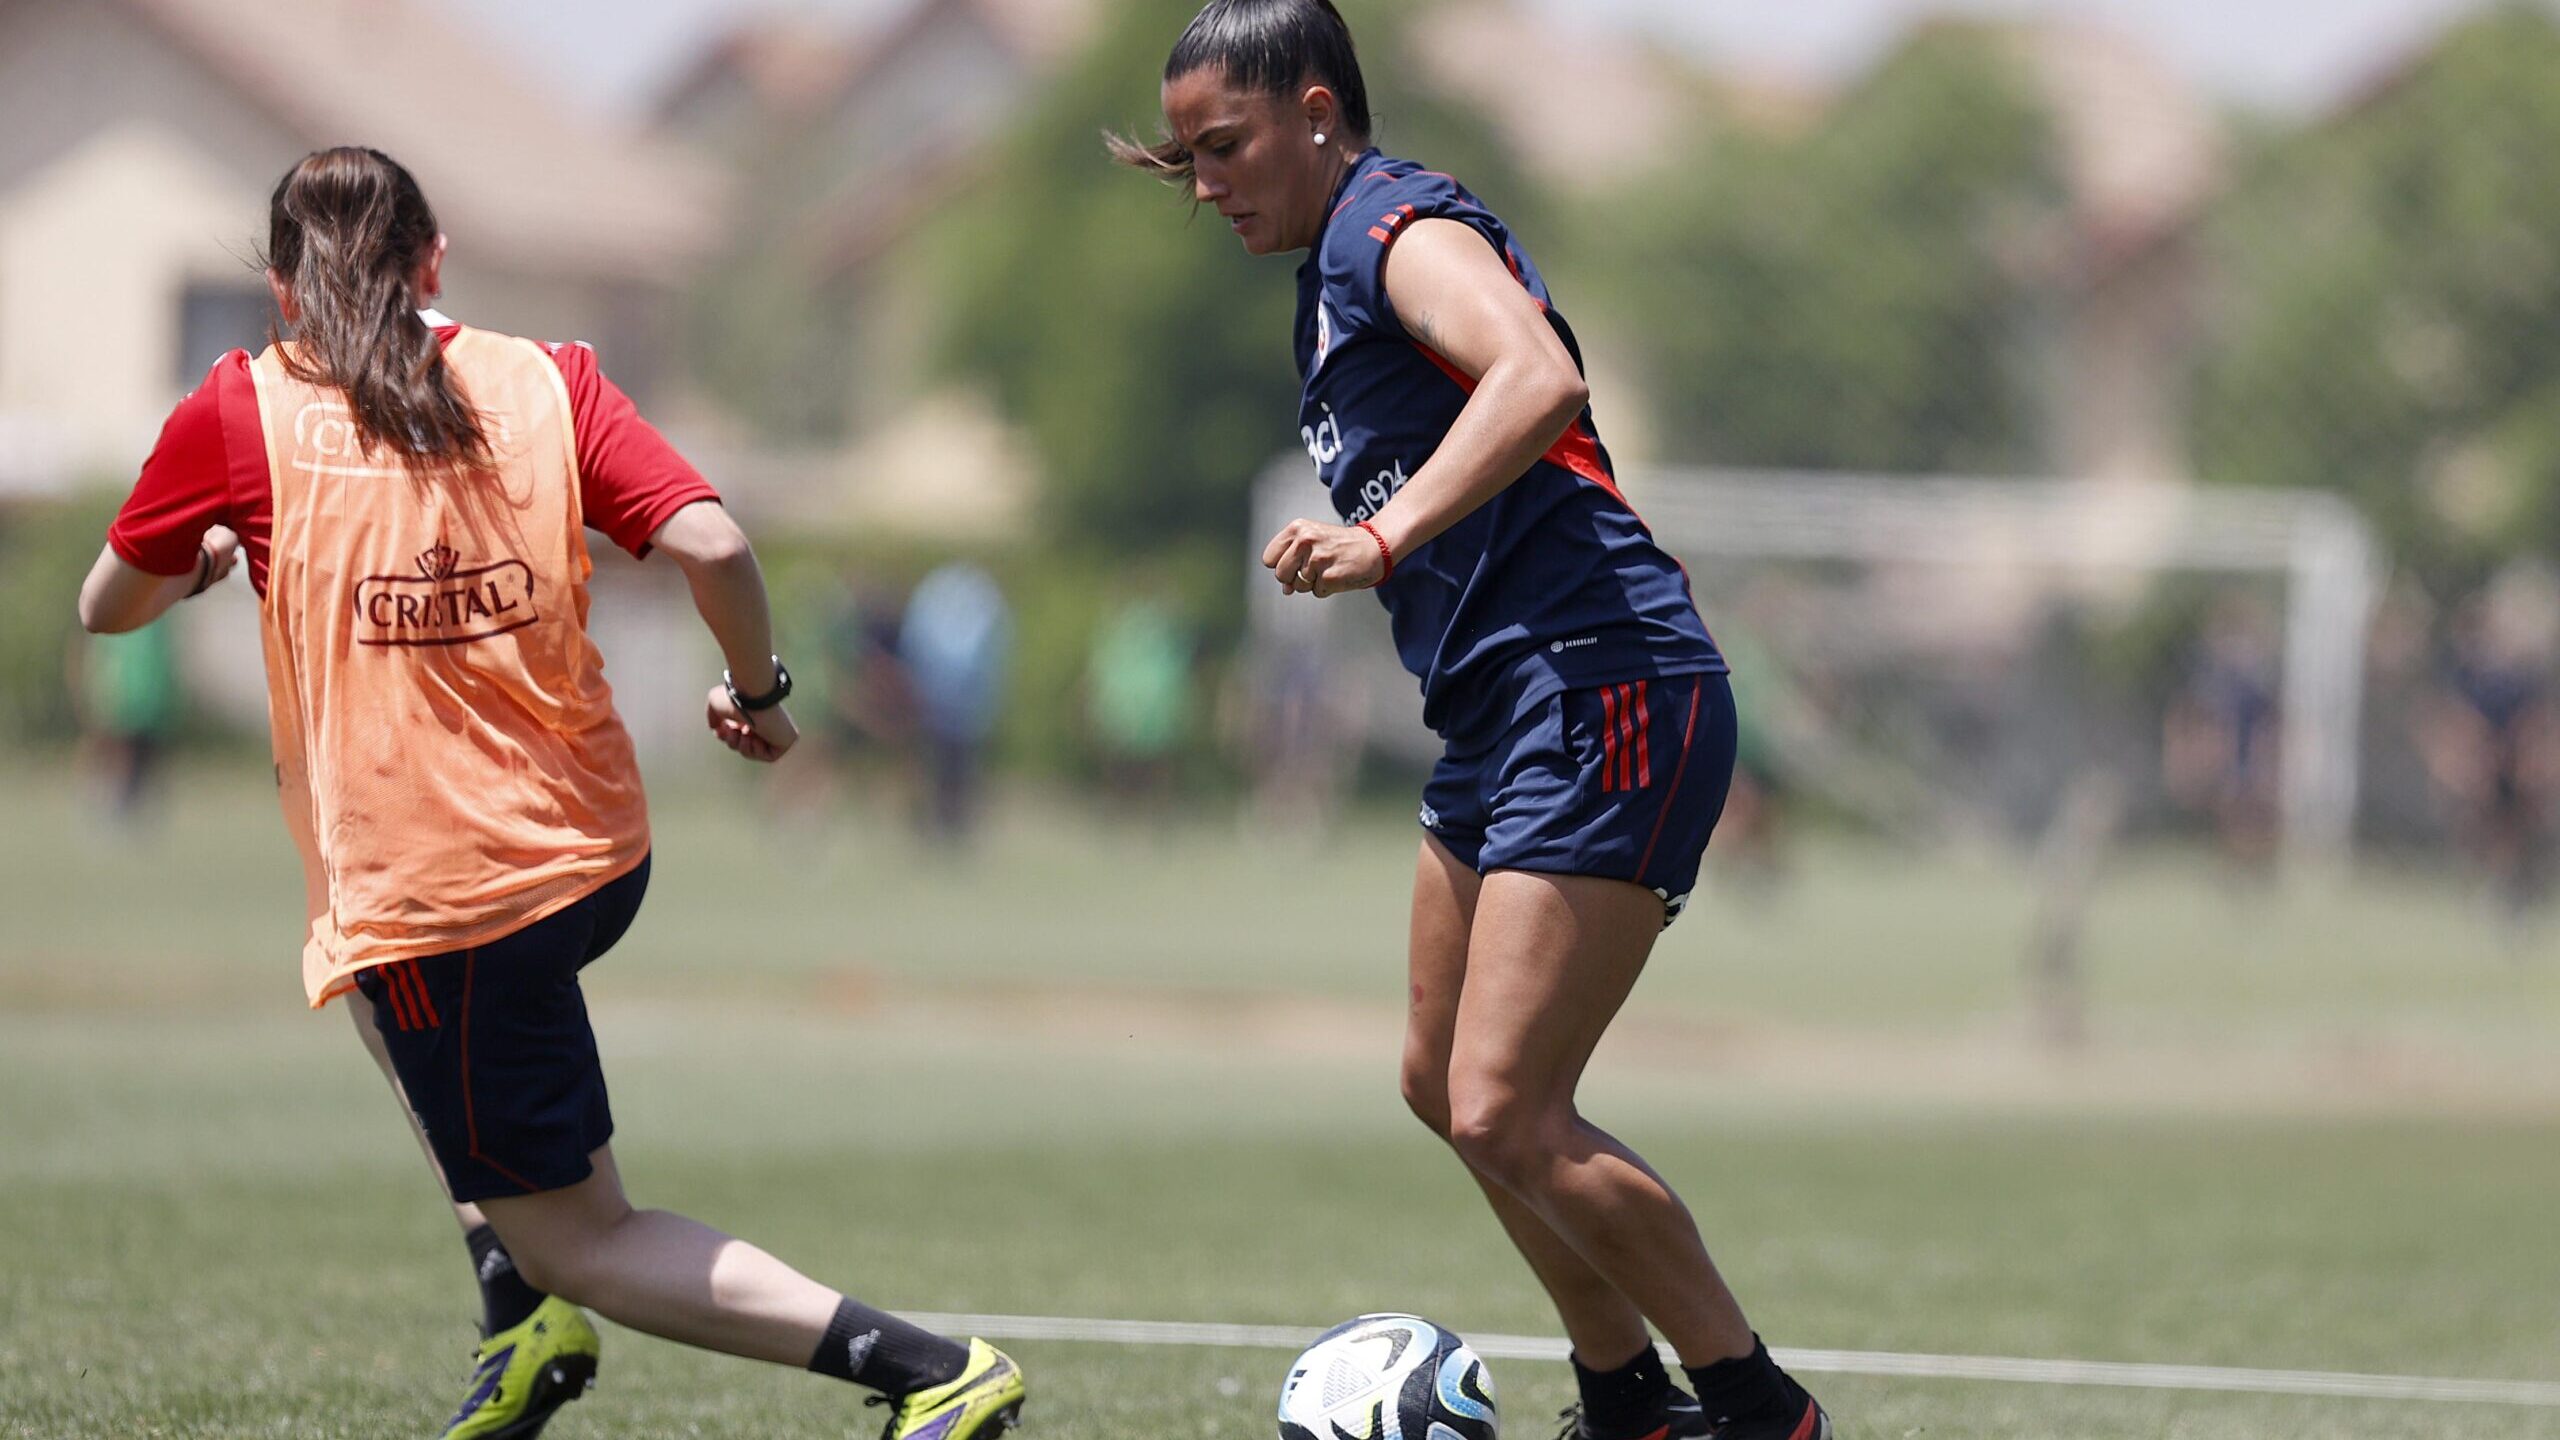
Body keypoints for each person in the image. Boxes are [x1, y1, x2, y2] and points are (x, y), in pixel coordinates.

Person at [75, 147, 1025, 1440]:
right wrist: (758, 697)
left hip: (450, 896)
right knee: (365, 976)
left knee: (587, 1236)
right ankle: (520, 1307)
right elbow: (717, 542)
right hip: (591, 847)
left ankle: (927, 1372)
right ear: (435, 265)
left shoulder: (239, 411)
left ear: (284, 294)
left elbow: (106, 604)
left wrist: (212, 558)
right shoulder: (545, 378)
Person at [1112, 6, 1831, 1438]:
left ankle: (1763, 1415)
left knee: (1507, 1103)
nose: (1206, 187)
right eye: (1186, 160)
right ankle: (1623, 1401)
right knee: (1442, 1086)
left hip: (1605, 677)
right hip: (1508, 709)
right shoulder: (1323, 270)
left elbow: (1538, 375)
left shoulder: (1394, 227)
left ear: (1317, 111)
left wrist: (1381, 542)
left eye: (1224, 148)